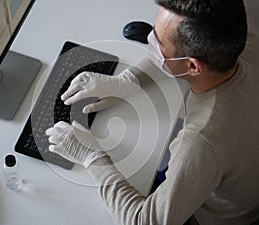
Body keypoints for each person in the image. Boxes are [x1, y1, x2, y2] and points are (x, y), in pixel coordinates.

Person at [46, 0, 259, 224]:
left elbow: (146, 221)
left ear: (194, 67)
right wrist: (128, 80)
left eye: (157, 42)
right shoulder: (240, 41)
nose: (150, 43)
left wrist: (92, 158)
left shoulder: (202, 141)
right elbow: (176, 57)